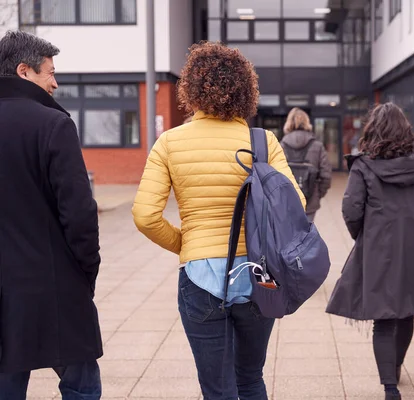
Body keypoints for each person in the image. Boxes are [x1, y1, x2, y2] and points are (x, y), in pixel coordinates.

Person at [132, 42, 304, 400]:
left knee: (217, 389)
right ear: (245, 90)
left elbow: (146, 216)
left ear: (190, 91)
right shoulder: (262, 141)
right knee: (251, 379)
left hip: (200, 276)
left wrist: (186, 243)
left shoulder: (169, 143)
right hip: (260, 275)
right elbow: (295, 204)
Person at [326, 103, 414, 400]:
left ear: (372, 130)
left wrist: (365, 237)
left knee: (384, 315)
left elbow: (351, 209)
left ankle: (390, 386)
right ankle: (397, 365)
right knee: (406, 310)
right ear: (406, 130)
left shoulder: (364, 166)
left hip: (380, 247)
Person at [0, 31, 102, 399]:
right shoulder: (52, 124)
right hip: (53, 281)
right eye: (50, 73)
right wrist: (86, 270)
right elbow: (78, 212)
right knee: (82, 385)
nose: (55, 82)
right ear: (24, 71)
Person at [280, 107, 332, 222]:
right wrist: (317, 194)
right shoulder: (317, 146)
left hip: (287, 202)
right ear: (307, 122)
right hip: (310, 201)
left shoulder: (281, 146)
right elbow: (326, 176)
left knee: (288, 237)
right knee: (307, 236)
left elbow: (274, 175)